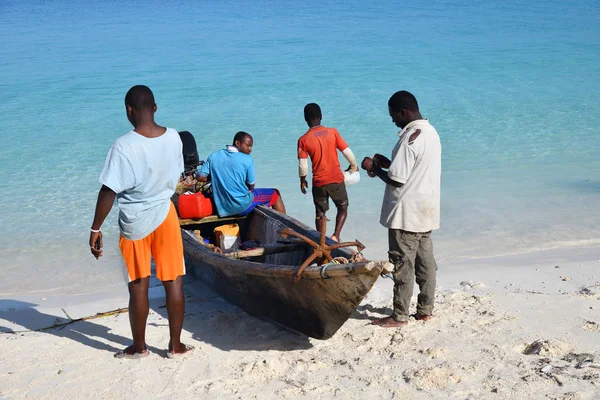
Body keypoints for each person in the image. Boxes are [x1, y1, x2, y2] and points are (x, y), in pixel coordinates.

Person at [89, 85, 194, 358]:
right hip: (166, 215)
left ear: (129, 111)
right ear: (155, 107)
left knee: (138, 284)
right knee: (174, 282)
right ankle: (176, 346)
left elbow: (109, 190)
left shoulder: (123, 145)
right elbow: (176, 174)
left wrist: (95, 227)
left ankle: (139, 348)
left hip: (135, 221)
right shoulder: (174, 137)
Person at [361, 90, 441, 328]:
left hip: (406, 214)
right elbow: (412, 168)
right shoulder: (430, 132)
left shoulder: (410, 138)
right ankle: (425, 310)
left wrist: (374, 170)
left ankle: (399, 315)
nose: (393, 120)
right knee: (426, 264)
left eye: (394, 115)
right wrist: (387, 163)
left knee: (402, 264)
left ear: (404, 111)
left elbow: (397, 180)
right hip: (426, 210)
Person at [298, 103, 358, 242]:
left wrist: (302, 179)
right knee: (342, 206)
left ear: (305, 119)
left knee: (320, 213)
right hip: (336, 179)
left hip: (319, 182)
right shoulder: (333, 132)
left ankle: (321, 241)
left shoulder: (303, 140)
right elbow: (347, 152)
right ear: (321, 116)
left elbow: (303, 165)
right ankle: (336, 235)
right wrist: (353, 166)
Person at [197, 131, 286, 217]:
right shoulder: (247, 159)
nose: (250, 149)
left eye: (251, 147)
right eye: (248, 145)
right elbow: (251, 186)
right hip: (241, 206)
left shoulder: (214, 156)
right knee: (275, 194)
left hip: (222, 208)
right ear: (237, 143)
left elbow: (200, 177)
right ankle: (287, 228)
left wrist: (219, 177)